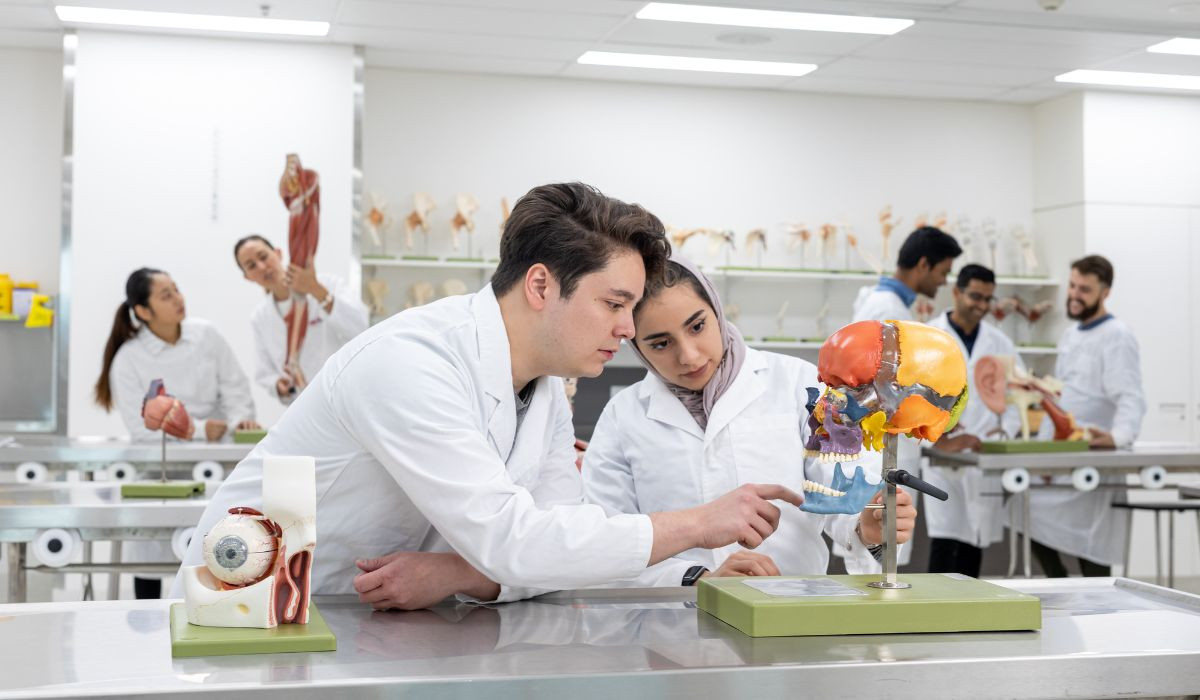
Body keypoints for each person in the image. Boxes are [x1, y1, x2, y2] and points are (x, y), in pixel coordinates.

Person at [173, 183, 803, 609]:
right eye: (615, 304)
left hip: (378, 622)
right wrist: (698, 522)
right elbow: (516, 542)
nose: (626, 330)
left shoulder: (547, 391)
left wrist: (461, 575)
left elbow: (561, 545)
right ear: (540, 285)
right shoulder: (411, 362)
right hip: (262, 605)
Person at [582, 258, 916, 586]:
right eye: (660, 343)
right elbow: (608, 540)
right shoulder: (623, 416)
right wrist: (697, 580)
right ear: (636, 345)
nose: (689, 356)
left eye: (697, 327)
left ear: (717, 312)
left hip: (789, 611)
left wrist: (865, 523)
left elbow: (839, 486)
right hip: (673, 617)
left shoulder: (798, 384)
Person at [94, 267, 260, 598]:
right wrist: (198, 430)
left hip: (216, 468)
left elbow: (236, 388)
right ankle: (148, 632)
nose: (178, 299)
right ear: (143, 311)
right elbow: (142, 430)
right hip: (158, 474)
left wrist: (242, 420)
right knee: (151, 555)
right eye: (165, 295)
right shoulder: (128, 360)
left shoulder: (206, 335)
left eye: (177, 290)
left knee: (221, 555)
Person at [1028, 255, 1146, 577]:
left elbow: (1131, 396)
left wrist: (1118, 438)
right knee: (1026, 514)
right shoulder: (1071, 335)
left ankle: (1099, 612)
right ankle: (1060, 585)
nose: (1075, 295)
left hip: (1096, 454)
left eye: (1085, 289)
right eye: (1072, 286)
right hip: (1065, 451)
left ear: (1105, 292)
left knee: (1092, 544)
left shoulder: (1117, 334)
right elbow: (1065, 395)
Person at [923, 264, 1023, 577]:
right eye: (975, 297)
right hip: (942, 455)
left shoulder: (1000, 343)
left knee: (975, 539)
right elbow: (915, 397)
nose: (981, 306)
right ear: (956, 292)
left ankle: (970, 616)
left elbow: (1017, 393)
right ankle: (935, 615)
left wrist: (1003, 431)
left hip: (984, 452)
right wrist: (942, 437)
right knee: (945, 538)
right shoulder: (930, 336)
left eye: (988, 299)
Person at [234, 235, 368, 403]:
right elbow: (264, 371)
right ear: (247, 277)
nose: (261, 267)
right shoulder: (260, 318)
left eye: (263, 257)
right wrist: (277, 385)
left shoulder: (328, 284)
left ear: (278, 253)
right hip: (302, 406)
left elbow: (360, 327)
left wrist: (315, 290)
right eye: (251, 266)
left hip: (344, 396)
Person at [852, 226, 962, 323]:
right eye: (943, 273)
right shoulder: (891, 313)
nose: (944, 282)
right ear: (923, 265)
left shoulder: (878, 299)